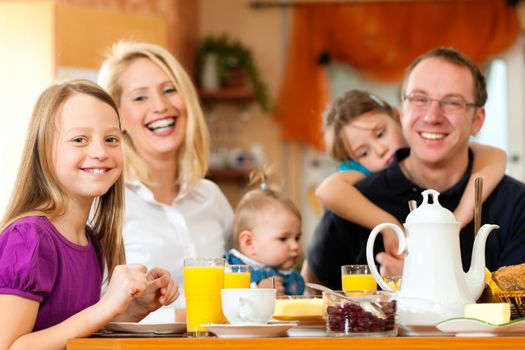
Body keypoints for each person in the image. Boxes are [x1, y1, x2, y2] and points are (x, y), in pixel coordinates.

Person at [303, 47, 525, 291]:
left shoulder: (516, 206)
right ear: (402, 112)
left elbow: (517, 313)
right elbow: (315, 301)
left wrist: (420, 279)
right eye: (419, 99)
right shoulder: (352, 206)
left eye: (452, 102)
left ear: (477, 120)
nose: (432, 116)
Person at [0, 80, 179, 350]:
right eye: (79, 140)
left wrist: (131, 308)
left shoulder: (90, 241)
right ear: (44, 150)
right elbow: (10, 346)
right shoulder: (29, 238)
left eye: (111, 139)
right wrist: (105, 307)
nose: (100, 152)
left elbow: (68, 330)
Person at [98, 41, 234, 318]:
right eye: (140, 97)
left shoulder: (212, 197)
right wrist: (189, 315)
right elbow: (88, 310)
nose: (160, 106)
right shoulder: (103, 202)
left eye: (169, 90)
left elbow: (241, 280)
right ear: (117, 117)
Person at [315, 90, 506, 255]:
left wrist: (457, 218)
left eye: (380, 134)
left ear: (398, 117)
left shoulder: (439, 151)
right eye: (364, 153)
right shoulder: (363, 180)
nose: (380, 150)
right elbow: (326, 190)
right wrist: (389, 226)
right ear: (355, 162)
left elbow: (495, 155)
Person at [224, 169, 304, 296]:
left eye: (297, 237)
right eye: (283, 239)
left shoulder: (290, 276)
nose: (295, 246)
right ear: (249, 243)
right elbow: (227, 299)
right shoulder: (231, 270)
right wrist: (257, 291)